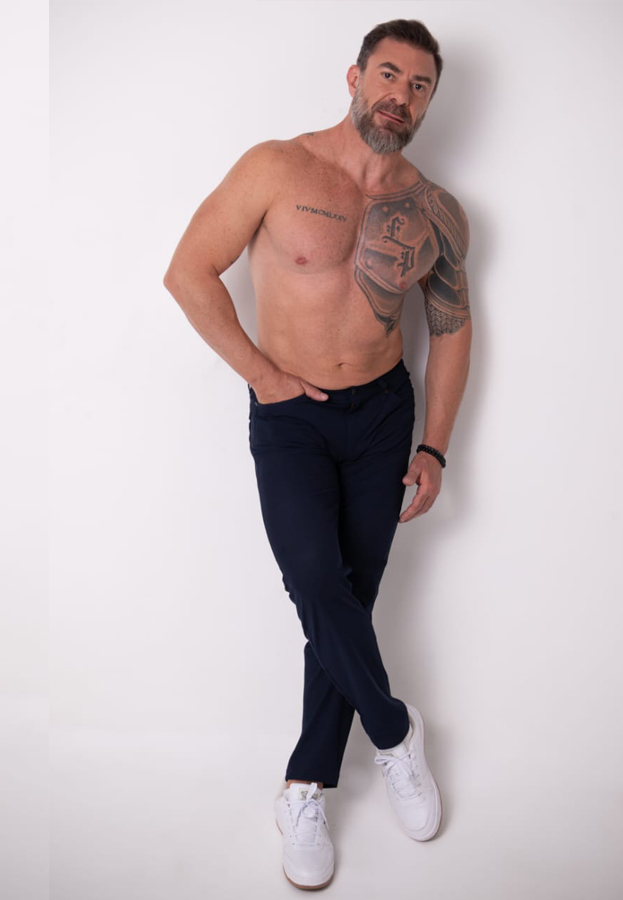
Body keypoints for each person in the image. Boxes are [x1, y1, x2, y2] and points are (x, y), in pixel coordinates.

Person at [163, 17, 471, 890]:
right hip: (289, 414)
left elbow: (452, 329)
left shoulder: (437, 212)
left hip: (382, 416)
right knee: (316, 584)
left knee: (349, 599)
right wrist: (262, 376)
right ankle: (395, 732)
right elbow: (188, 271)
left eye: (419, 85)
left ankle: (304, 787)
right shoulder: (277, 167)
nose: (400, 95)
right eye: (388, 74)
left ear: (429, 102)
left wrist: (435, 445)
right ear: (354, 76)